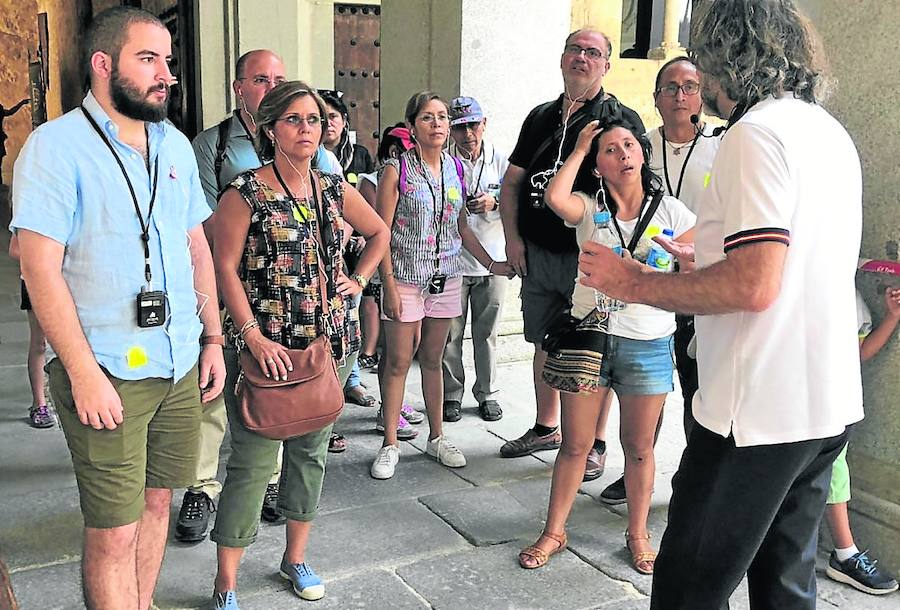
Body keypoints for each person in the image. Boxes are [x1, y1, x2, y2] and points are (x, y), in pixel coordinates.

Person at [578, 1, 864, 607]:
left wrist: (630, 282)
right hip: (824, 405)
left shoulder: (753, 135)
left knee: (686, 588)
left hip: (754, 411)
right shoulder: (827, 130)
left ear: (722, 57)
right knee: (785, 584)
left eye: (701, 61)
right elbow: (795, 261)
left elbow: (752, 286)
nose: (698, 80)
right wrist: (704, 256)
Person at [10, 7, 225, 609]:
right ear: (104, 65)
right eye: (149, 59)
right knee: (114, 528)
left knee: (160, 500)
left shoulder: (175, 145)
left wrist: (211, 339)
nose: (167, 76)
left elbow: (195, 248)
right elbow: (38, 267)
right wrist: (81, 373)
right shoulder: (55, 148)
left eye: (169, 62)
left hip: (179, 361)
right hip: (106, 368)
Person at [209, 81, 388, 609]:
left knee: (310, 458)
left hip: (327, 347)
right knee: (251, 464)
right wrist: (250, 334)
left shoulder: (331, 187)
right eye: (293, 120)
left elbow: (378, 233)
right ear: (269, 128)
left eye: (313, 119)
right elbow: (223, 267)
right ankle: (226, 582)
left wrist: (357, 281)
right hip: (267, 348)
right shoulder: (244, 192)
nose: (306, 129)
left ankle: (295, 557)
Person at [518, 118, 694, 574]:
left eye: (629, 145)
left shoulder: (672, 212)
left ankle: (637, 534)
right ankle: (554, 530)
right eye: (610, 149)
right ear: (598, 166)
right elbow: (554, 199)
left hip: (648, 341)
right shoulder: (589, 207)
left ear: (642, 155)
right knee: (575, 444)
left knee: (639, 447)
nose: (623, 154)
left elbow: (699, 257)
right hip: (589, 337)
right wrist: (577, 148)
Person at [499, 29, 643, 467]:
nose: (582, 58)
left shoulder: (617, 116)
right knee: (544, 338)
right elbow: (513, 183)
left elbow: (632, 182)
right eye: (575, 50)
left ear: (606, 65)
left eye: (593, 53)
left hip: (589, 254)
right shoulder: (540, 116)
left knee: (591, 346)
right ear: (562, 58)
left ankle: (594, 444)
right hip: (538, 251)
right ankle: (547, 427)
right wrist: (512, 239)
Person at [180, 49, 301, 543]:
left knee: (267, 387)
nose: (270, 87)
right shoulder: (210, 145)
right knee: (210, 390)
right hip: (219, 283)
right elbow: (204, 223)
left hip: (276, 293)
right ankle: (201, 486)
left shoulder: (297, 140)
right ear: (238, 88)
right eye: (259, 79)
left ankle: (270, 480)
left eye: (278, 78)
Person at [371, 91, 514, 480]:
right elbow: (380, 232)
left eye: (442, 118)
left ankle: (437, 437)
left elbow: (461, 226)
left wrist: (491, 263)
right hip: (403, 276)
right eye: (428, 118)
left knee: (434, 358)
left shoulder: (454, 167)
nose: (437, 124)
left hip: (445, 277)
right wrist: (386, 282)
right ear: (412, 126)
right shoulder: (396, 170)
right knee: (399, 361)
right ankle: (390, 443)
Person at [599, 55, 721, 505]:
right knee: (649, 389)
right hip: (645, 288)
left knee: (697, 386)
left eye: (689, 86)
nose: (680, 95)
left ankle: (696, 481)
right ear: (656, 98)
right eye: (670, 87)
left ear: (703, 93)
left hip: (700, 281)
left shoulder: (721, 144)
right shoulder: (640, 145)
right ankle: (637, 469)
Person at [823, 287, 900, 595]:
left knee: (835, 469)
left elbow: (859, 354)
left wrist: (892, 318)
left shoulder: (852, 300)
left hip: (832, 406)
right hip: (786, 405)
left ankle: (845, 553)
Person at [441, 96, 510, 422]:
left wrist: (494, 202)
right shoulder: (444, 162)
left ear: (484, 124)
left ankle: (488, 393)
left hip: (493, 259)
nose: (467, 133)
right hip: (453, 262)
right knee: (450, 335)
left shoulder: (500, 159)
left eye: (473, 125)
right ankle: (451, 394)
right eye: (459, 127)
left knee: (487, 334)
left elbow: (517, 199)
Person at [318, 89, 378, 417]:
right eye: (318, 117)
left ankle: (349, 380)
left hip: (347, 253)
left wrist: (349, 236)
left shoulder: (358, 155)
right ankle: (327, 397)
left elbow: (364, 209)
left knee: (348, 318)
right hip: (318, 259)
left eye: (332, 117)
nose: (326, 124)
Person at [8, 235, 53, 428]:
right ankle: (39, 404)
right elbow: (15, 250)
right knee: (40, 344)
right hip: (38, 281)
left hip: (71, 281)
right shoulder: (32, 207)